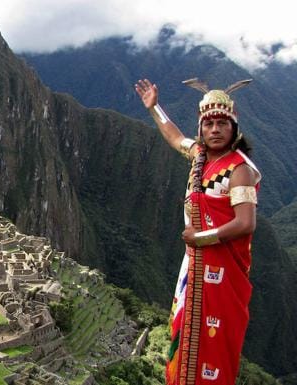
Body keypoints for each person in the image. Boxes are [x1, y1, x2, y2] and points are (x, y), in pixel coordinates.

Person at [135, 78, 260, 385]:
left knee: (215, 342)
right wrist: (154, 108)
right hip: (194, 264)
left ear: (233, 129)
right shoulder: (199, 158)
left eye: (221, 123)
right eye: (209, 124)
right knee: (186, 330)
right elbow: (175, 137)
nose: (215, 130)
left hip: (221, 268)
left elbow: (246, 222)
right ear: (201, 128)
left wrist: (200, 238)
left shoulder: (238, 169)